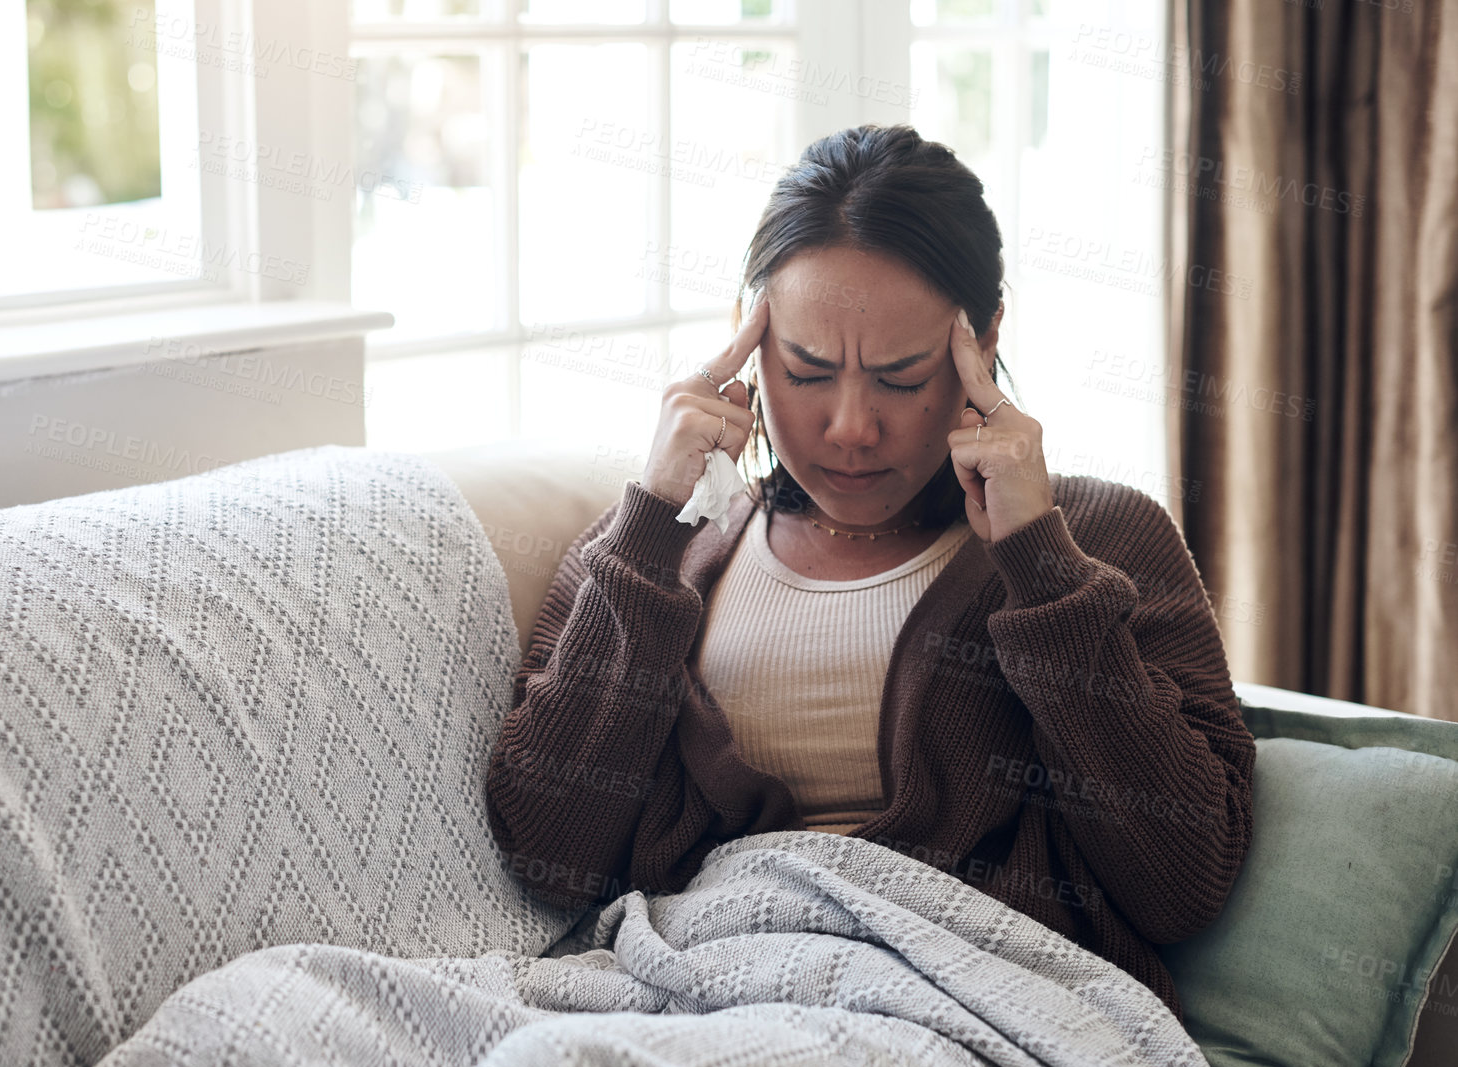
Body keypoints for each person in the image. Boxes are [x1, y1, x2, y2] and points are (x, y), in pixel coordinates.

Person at [484, 123, 1254, 1021]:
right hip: (707, 997)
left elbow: (1183, 880)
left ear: (984, 337)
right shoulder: (653, 557)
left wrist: (1038, 565)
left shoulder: (1098, 541)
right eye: (807, 371)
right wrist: (652, 517)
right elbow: (546, 851)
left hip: (971, 1016)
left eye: (899, 377)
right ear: (748, 341)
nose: (850, 426)